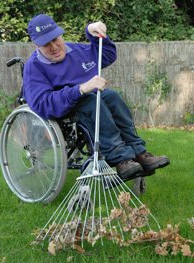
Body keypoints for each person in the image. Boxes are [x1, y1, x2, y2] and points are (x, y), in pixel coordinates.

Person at [23, 14, 170, 180]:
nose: (54, 47)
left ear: (60, 34)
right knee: (91, 101)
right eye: (45, 44)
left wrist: (93, 33)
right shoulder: (33, 67)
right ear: (35, 44)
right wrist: (79, 89)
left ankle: (139, 153)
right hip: (64, 109)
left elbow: (106, 55)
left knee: (112, 96)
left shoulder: (75, 50)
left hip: (89, 100)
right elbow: (42, 104)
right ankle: (120, 158)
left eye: (55, 39)